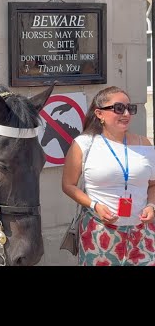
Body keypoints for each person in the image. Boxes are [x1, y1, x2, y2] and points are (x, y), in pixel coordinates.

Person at [62, 85, 155, 266]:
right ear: (99, 114)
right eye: (119, 108)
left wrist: (151, 206)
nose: (126, 113)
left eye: (130, 108)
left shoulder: (144, 143)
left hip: (142, 233)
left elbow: (152, 184)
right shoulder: (84, 144)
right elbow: (68, 185)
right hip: (99, 232)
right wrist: (94, 205)